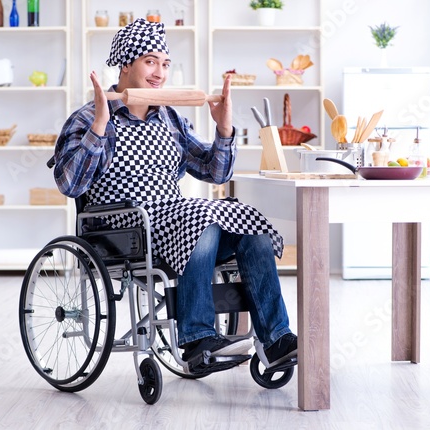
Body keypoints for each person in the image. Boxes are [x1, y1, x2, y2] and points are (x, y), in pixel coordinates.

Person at [54, 18, 297, 369]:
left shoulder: (170, 119)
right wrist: (98, 127)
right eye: (150, 61)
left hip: (177, 221)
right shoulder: (88, 116)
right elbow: (70, 185)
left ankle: (276, 340)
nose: (160, 73)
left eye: (165, 64)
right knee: (203, 218)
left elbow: (216, 172)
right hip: (122, 227)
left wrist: (224, 128)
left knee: (250, 227)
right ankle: (197, 339)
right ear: (125, 63)